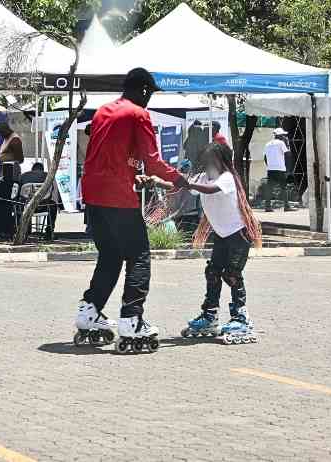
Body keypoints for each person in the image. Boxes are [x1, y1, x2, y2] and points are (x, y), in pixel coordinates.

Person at [73, 67, 187, 353]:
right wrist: (181, 179)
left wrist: (129, 173)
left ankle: (89, 312)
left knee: (110, 255)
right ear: (144, 90)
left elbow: (105, 155)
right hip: (117, 196)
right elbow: (154, 161)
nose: (150, 101)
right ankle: (132, 319)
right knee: (139, 255)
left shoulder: (102, 111)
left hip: (92, 193)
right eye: (150, 95)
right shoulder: (138, 114)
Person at [152, 143, 263, 344]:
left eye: (213, 159)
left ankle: (241, 317)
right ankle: (209, 315)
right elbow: (179, 186)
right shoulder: (203, 177)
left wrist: (187, 184)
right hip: (222, 235)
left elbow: (210, 190)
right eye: (207, 159)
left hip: (238, 234)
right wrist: (158, 182)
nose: (209, 163)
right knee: (212, 272)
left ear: (222, 161)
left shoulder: (228, 178)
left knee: (232, 274)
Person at [19, 162, 58, 238]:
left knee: (18, 204)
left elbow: (19, 193)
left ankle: (24, 230)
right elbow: (50, 193)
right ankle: (49, 232)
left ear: (32, 169)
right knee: (53, 205)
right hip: (43, 206)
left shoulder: (23, 176)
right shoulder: (47, 176)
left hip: (26, 207)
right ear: (42, 170)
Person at [263, 127, 293, 212]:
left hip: (270, 169)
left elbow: (265, 157)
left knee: (270, 188)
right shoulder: (281, 143)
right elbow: (287, 155)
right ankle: (286, 206)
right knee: (283, 187)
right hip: (280, 169)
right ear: (280, 136)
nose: (284, 137)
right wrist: (288, 169)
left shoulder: (267, 144)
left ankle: (267, 207)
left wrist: (269, 165)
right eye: (283, 135)